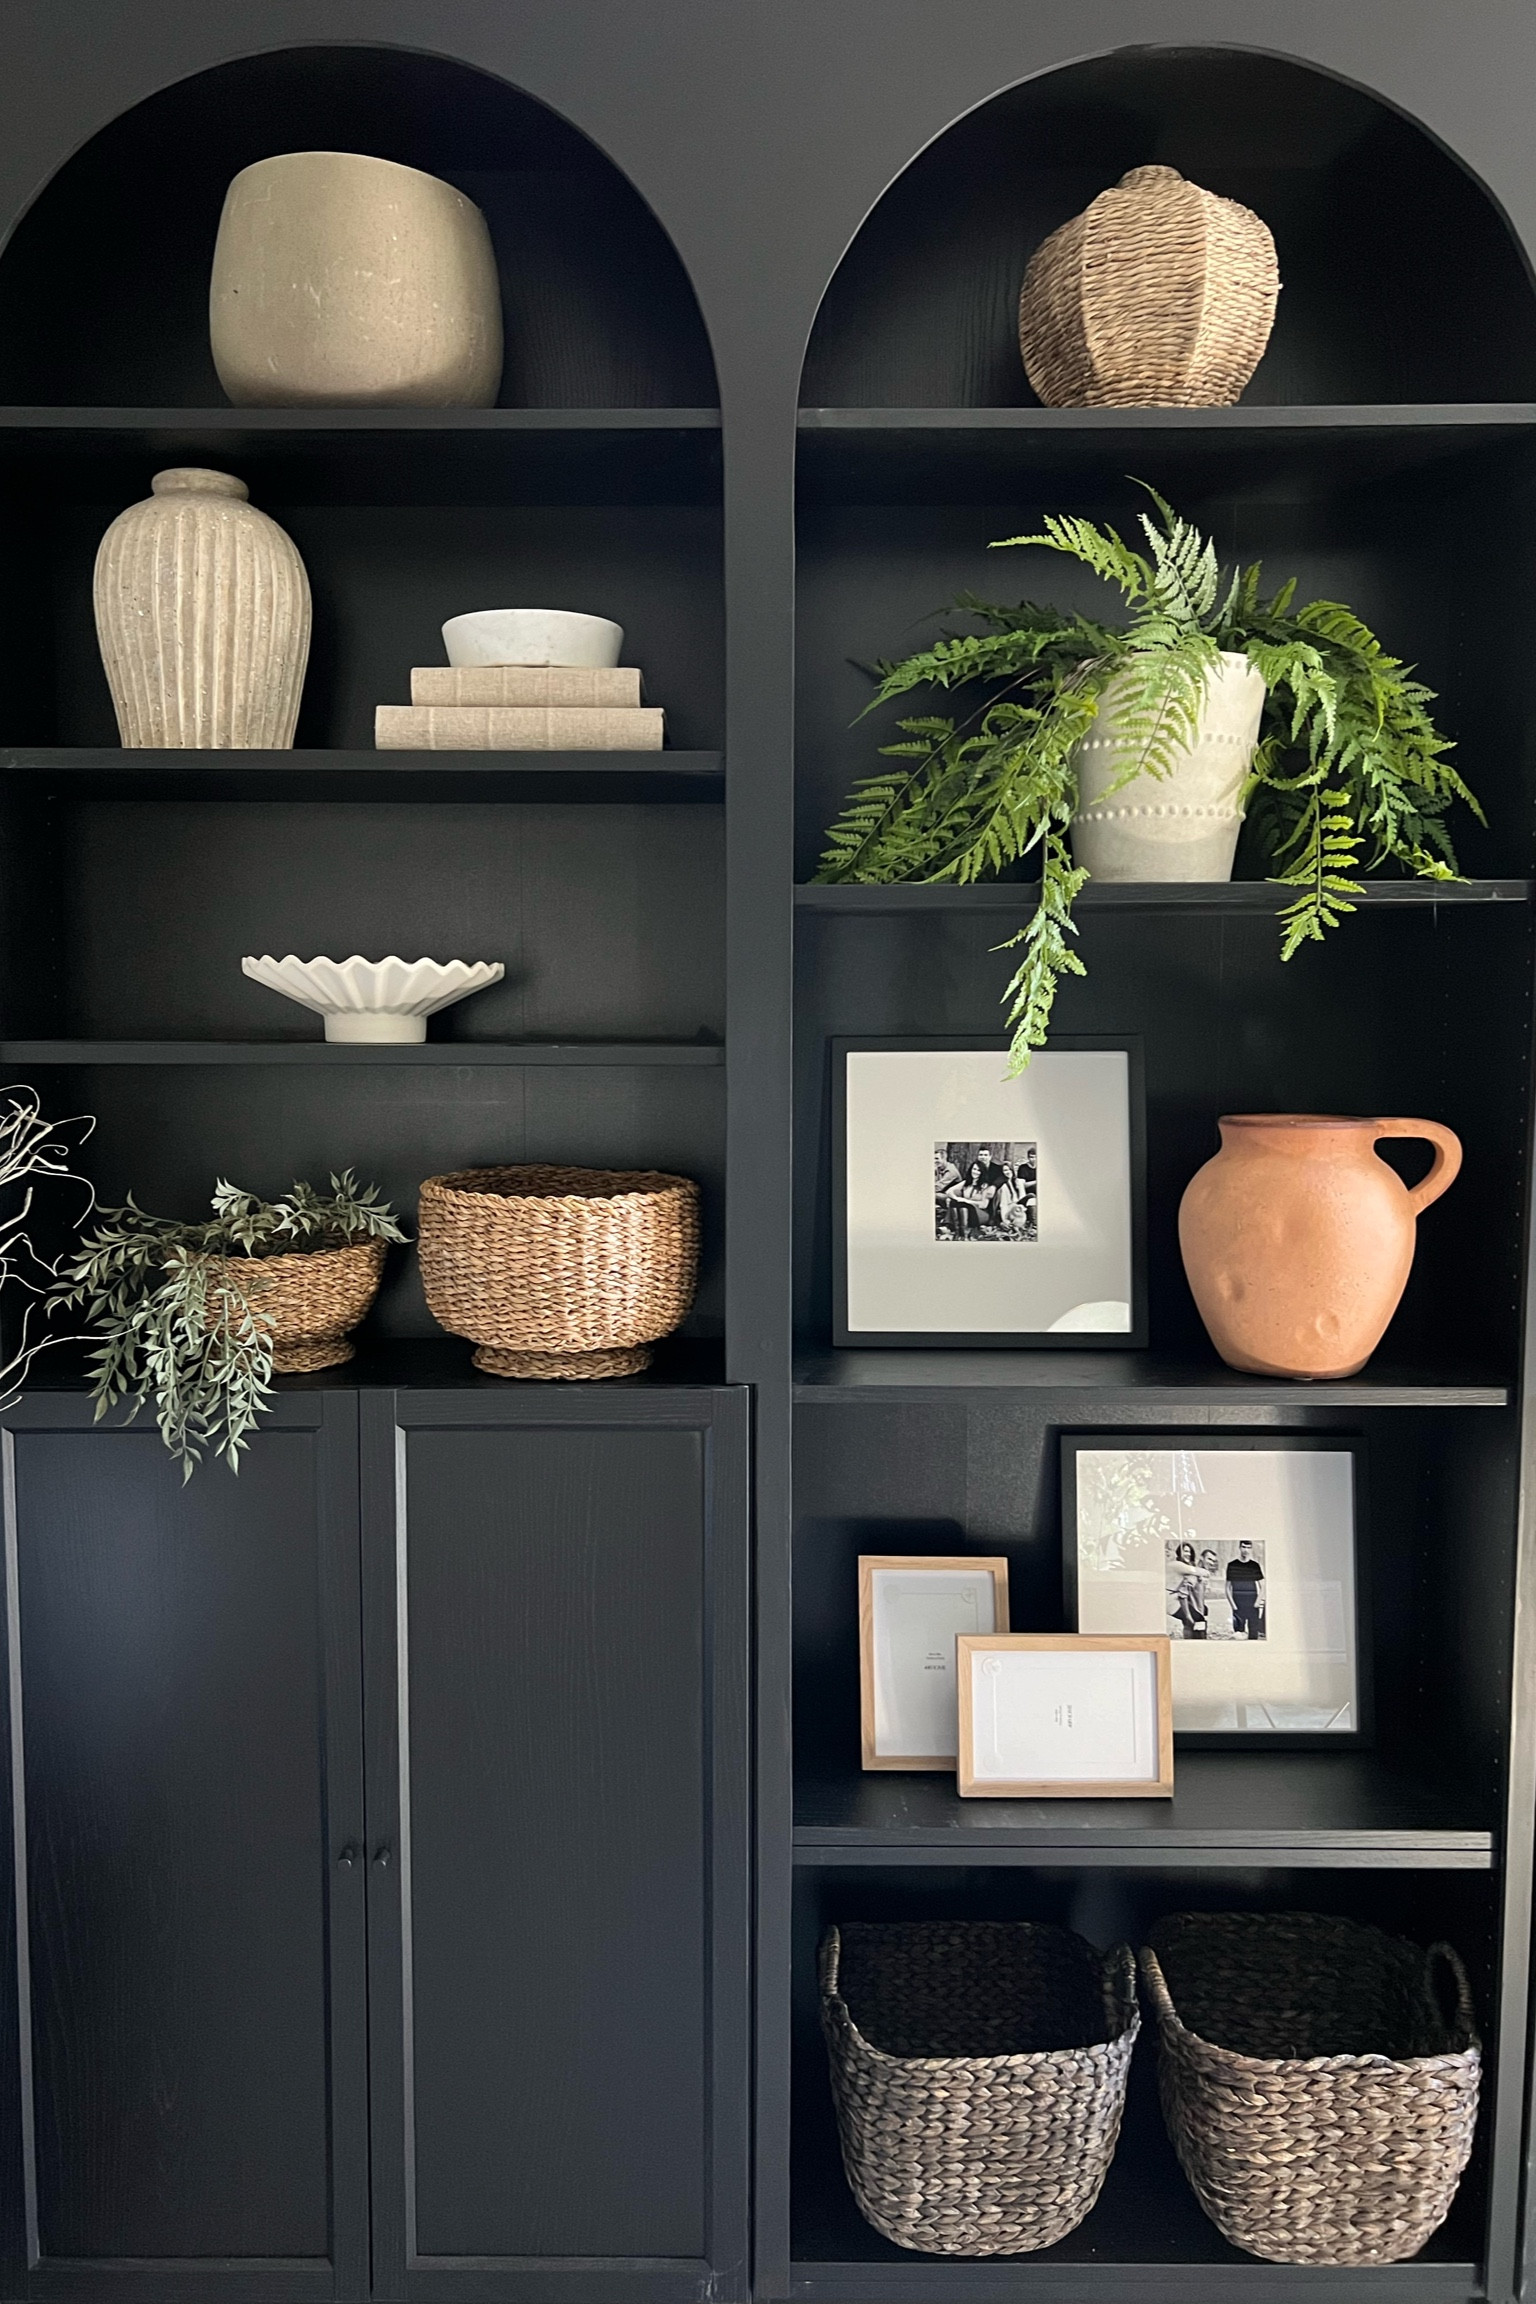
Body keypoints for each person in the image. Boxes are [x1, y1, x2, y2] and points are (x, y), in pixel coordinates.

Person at [1225, 1540, 1265, 1639]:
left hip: (1252, 1605)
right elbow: (1227, 1588)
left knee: (1253, 1634)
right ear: (1239, 1548)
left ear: (1251, 1549)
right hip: (1238, 1605)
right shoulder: (1232, 1565)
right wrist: (1233, 1605)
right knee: (1239, 1635)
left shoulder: (1254, 1565)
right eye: (1243, 1547)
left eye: (1248, 1548)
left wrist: (1257, 1602)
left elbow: (1263, 1586)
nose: (1245, 1550)